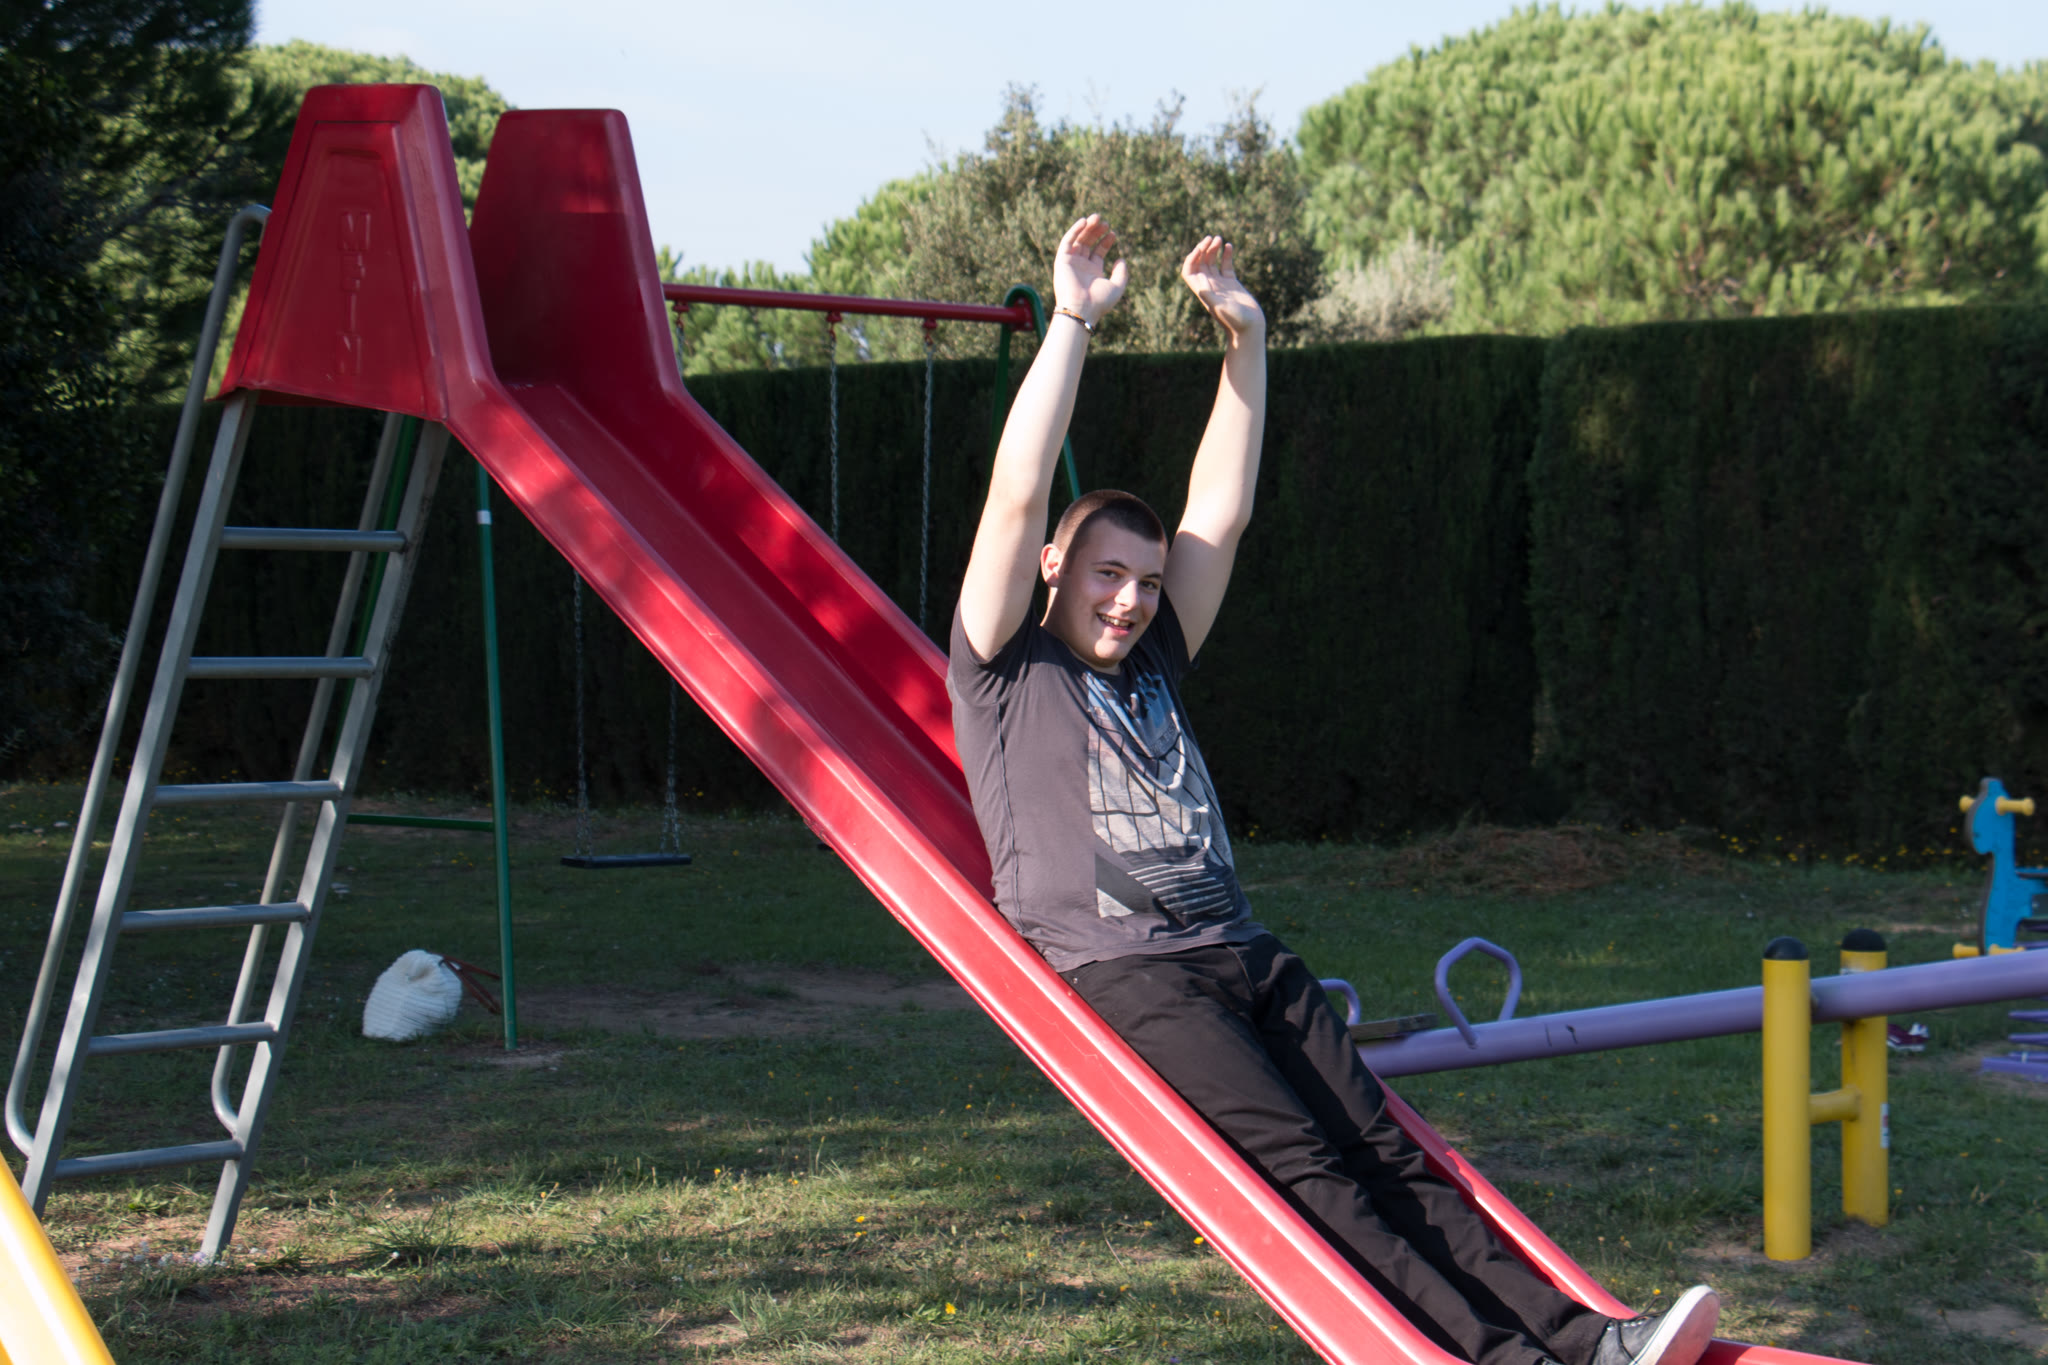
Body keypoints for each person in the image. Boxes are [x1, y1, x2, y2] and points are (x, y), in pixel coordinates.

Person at [945, 213, 1721, 1365]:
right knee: (1311, 1174)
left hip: (1243, 950)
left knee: (1394, 1153)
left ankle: (1589, 1344)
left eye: (1145, 581)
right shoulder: (1002, 668)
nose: (1129, 600)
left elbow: (1220, 513)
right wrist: (1068, 320)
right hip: (1130, 973)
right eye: (1106, 573)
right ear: (1054, 568)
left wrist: (1246, 340)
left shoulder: (1155, 655)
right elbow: (1015, 496)